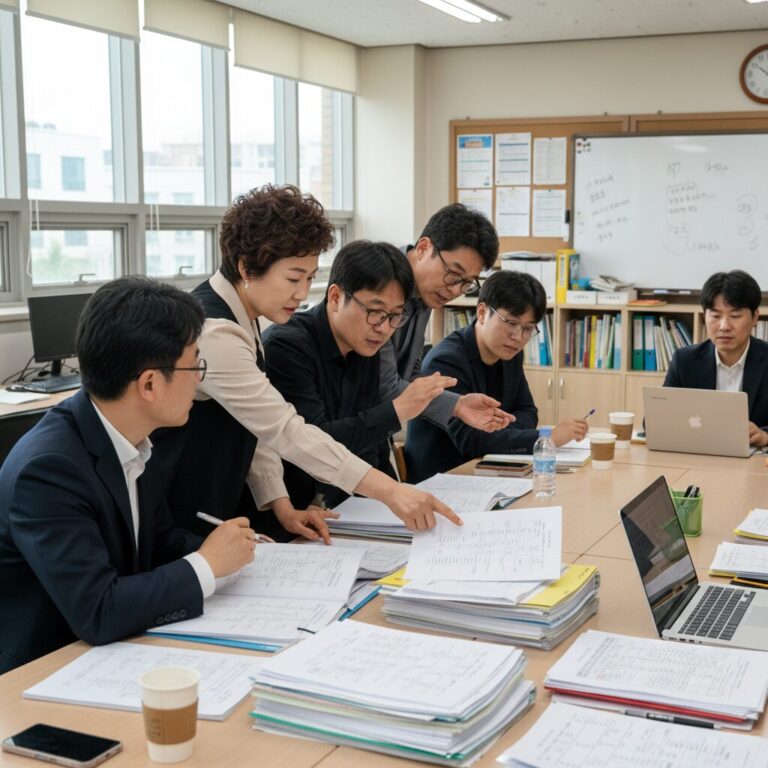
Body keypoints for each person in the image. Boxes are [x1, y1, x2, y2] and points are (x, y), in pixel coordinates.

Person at [153, 184, 460, 542]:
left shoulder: (243, 316)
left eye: (310, 278)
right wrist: (391, 492)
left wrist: (279, 503)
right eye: (293, 278)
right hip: (182, 508)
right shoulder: (216, 332)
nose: (301, 294)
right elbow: (285, 430)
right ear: (246, 267)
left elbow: (254, 426)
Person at [0, 278, 256, 674]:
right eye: (194, 365)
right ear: (150, 384)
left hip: (115, 650)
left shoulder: (131, 436)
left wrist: (234, 550)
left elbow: (158, 540)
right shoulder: (49, 470)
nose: (199, 379)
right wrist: (207, 564)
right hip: (44, 669)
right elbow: (98, 610)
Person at [263, 240, 456, 508]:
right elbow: (316, 443)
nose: (384, 328)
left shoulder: (366, 347)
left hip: (348, 510)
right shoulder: (286, 346)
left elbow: (370, 449)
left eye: (395, 316)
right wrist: (398, 410)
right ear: (335, 297)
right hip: (290, 511)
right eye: (376, 312)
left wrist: (398, 499)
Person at [405, 271, 588, 482]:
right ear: (482, 312)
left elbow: (528, 412)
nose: (518, 337)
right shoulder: (446, 361)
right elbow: (471, 441)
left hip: (492, 473)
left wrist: (496, 435)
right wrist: (547, 438)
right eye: (511, 323)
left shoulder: (509, 353)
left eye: (528, 329)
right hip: (444, 481)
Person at [379, 203, 514, 432]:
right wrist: (456, 405)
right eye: (453, 274)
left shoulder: (426, 290)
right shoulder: (381, 284)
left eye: (467, 283)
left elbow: (410, 373)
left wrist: (458, 403)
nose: (455, 290)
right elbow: (384, 385)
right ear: (423, 248)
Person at [663, 269, 768, 447]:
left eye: (735, 316)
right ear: (705, 316)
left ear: (755, 317)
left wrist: (765, 435)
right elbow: (655, 420)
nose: (724, 326)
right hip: (699, 456)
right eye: (716, 315)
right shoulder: (685, 360)